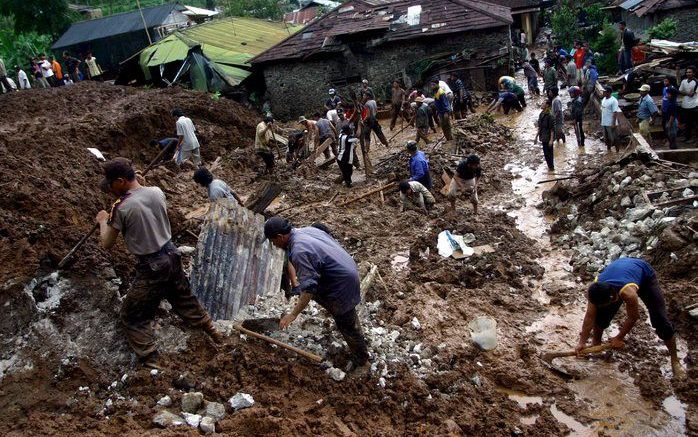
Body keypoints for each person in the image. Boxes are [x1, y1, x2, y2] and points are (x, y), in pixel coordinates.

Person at [96, 158, 223, 369]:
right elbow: (143, 193)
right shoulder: (155, 191)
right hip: (172, 255)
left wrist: (102, 220)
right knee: (184, 299)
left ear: (120, 181)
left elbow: (107, 243)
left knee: (132, 315)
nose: (110, 189)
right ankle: (214, 332)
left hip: (151, 264)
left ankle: (151, 361)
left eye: (111, 184)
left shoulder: (122, 207)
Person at [264, 217, 369, 371]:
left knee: (346, 323)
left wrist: (293, 314)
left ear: (280, 237)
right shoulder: (304, 231)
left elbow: (309, 290)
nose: (274, 245)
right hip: (345, 267)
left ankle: (362, 362)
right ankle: (350, 321)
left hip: (342, 282)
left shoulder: (299, 250)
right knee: (339, 310)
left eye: (273, 241)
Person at [575, 258, 684, 379]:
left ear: (612, 297)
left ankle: (675, 360)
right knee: (601, 315)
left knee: (661, 321)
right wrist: (582, 342)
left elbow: (633, 317)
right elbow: (590, 317)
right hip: (622, 272)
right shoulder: (595, 289)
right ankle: (596, 344)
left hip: (644, 275)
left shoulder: (628, 293)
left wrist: (619, 338)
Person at [678, 65, 697, 141]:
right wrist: (687, 93)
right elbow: (680, 91)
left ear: (694, 73)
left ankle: (694, 139)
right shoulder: (683, 81)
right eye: (687, 72)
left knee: (695, 123)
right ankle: (687, 137)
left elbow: (692, 94)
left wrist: (684, 92)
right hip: (685, 105)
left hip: (694, 105)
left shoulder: (696, 82)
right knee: (687, 122)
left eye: (690, 72)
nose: (688, 73)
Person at [535, 100, 555, 171]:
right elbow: (540, 126)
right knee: (546, 153)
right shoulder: (541, 114)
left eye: (543, 103)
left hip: (548, 136)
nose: (541, 104)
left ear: (547, 105)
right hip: (543, 136)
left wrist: (551, 140)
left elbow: (552, 129)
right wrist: (536, 137)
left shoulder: (550, 115)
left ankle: (551, 167)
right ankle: (550, 167)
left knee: (549, 153)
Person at [601, 86, 621, 152]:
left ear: (609, 92)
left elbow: (615, 112)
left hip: (610, 122)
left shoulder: (613, 100)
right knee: (607, 138)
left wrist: (613, 123)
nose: (603, 93)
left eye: (604, 92)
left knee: (614, 138)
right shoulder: (604, 99)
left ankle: (617, 151)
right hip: (604, 122)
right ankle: (609, 150)